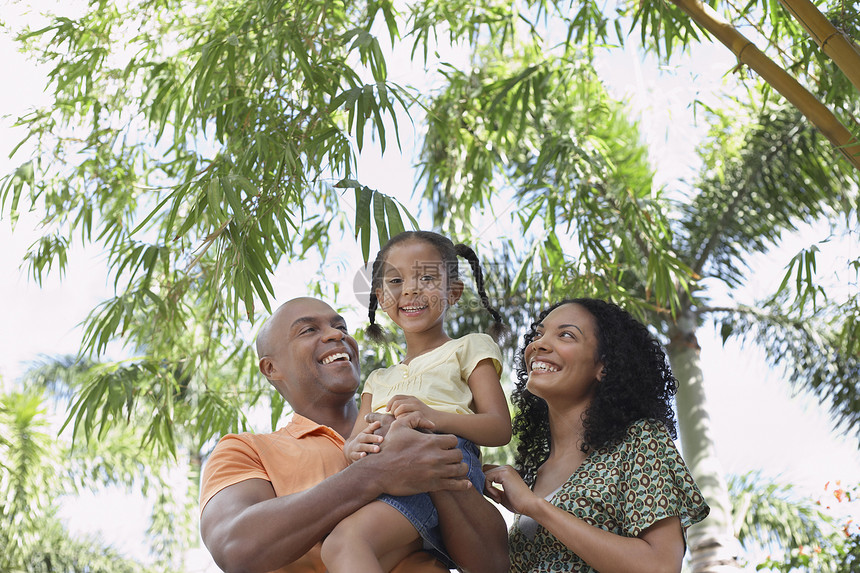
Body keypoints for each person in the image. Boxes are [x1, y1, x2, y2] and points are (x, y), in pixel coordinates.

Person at [198, 296, 510, 573]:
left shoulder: (422, 423)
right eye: (309, 330)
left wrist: (427, 460)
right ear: (271, 368)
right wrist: (376, 472)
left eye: (341, 327)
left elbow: (492, 563)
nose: (337, 335)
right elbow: (236, 548)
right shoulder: (245, 450)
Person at [320, 231, 513, 573]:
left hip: (446, 460)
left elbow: (498, 428)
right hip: (386, 477)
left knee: (344, 543)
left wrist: (431, 416)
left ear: (453, 292)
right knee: (357, 555)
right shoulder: (378, 379)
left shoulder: (469, 348)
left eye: (426, 277)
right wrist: (353, 449)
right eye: (396, 280)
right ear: (380, 297)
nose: (410, 289)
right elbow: (352, 446)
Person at [483, 298, 710, 572]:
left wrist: (535, 507)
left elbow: (660, 566)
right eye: (538, 334)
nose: (538, 344)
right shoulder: (536, 475)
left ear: (603, 365)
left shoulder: (640, 441)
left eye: (566, 335)